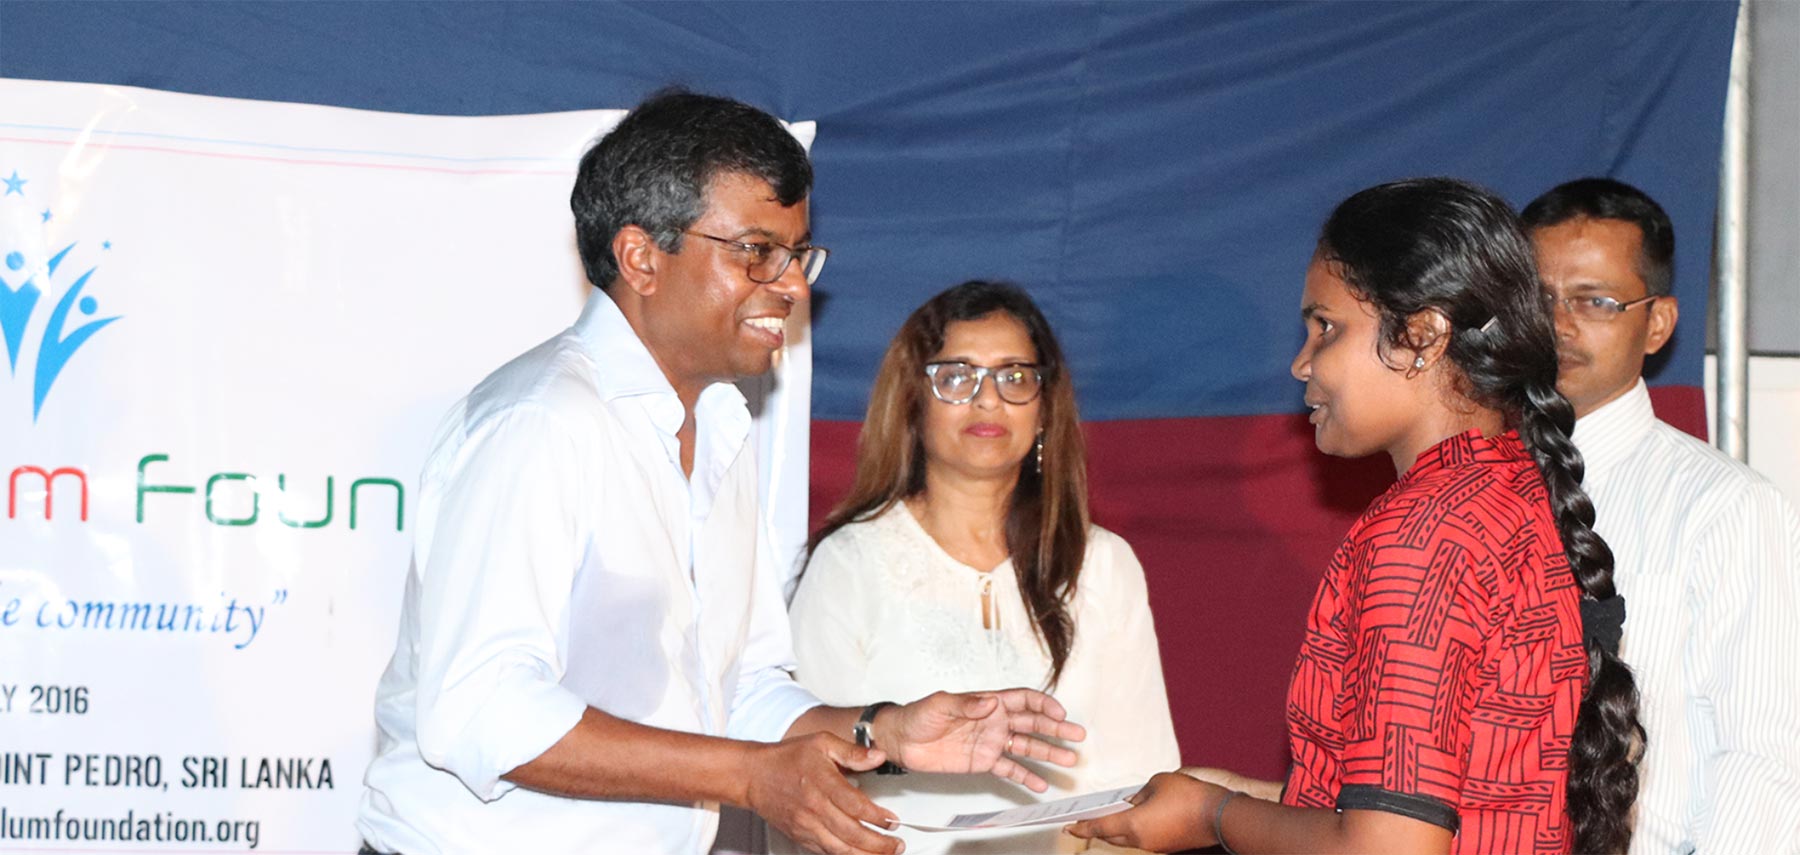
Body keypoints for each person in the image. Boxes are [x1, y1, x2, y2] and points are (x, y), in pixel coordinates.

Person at [354, 90, 1085, 855]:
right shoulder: (541, 422)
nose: (794, 286)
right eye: (757, 252)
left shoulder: (723, 426)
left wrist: (883, 729)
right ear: (642, 257)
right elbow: (482, 709)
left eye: (797, 255)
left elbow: (737, 692)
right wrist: (747, 775)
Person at [1070, 178, 1644, 854]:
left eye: (1326, 327)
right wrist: (1232, 793)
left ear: (1422, 335)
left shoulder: (1422, 537)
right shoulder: (1511, 489)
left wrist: (1212, 816)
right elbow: (1460, 802)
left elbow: (1389, 847)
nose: (1301, 363)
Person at [781, 281, 1180, 854]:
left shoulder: (1102, 563)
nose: (988, 400)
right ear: (913, 403)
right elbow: (806, 777)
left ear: (1045, 409)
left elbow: (1145, 781)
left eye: (1015, 377)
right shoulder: (850, 561)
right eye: (957, 376)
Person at [1521, 178, 1800, 854]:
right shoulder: (1470, 489)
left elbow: (1763, 761)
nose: (1559, 323)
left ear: (1658, 324)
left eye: (1594, 300)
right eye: (1538, 297)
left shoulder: (1726, 505)